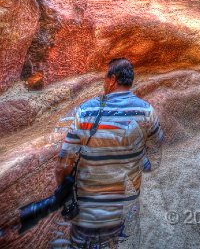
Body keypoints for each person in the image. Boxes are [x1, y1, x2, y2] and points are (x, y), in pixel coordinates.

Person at [52, 57, 164, 248]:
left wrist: (64, 190)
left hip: (88, 209)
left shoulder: (86, 111)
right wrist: (144, 163)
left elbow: (64, 163)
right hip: (125, 204)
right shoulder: (146, 110)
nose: (104, 83)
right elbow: (157, 144)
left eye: (105, 78)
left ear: (112, 79)